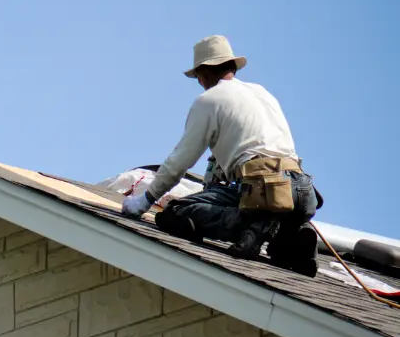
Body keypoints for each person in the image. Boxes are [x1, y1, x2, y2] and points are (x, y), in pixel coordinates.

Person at [121, 35, 321, 277]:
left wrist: (144, 201)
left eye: (198, 78)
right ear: (232, 66)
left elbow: (179, 162)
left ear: (203, 74)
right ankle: (288, 236)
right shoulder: (262, 93)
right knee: (277, 245)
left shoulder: (209, 101)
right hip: (301, 190)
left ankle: (251, 224)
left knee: (177, 213)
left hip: (262, 190)